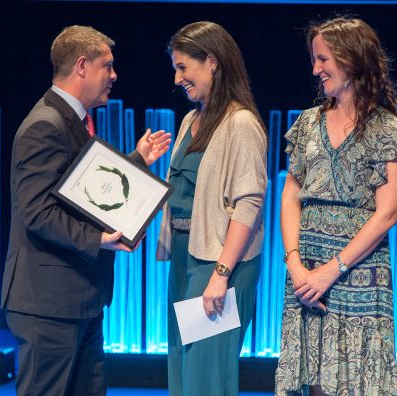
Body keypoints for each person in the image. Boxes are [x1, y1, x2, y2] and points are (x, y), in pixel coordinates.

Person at [1, 25, 171, 396]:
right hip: (49, 304)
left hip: (79, 300)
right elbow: (37, 211)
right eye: (107, 66)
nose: (114, 76)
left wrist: (136, 162)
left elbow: (84, 191)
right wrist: (98, 239)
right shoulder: (46, 124)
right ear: (81, 66)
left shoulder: (71, 119)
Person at [275, 17, 397, 395]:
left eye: (323, 59)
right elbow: (290, 196)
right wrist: (296, 264)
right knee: (315, 381)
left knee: (357, 382)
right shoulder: (307, 123)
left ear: (351, 59)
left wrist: (332, 271)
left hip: (359, 273)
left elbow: (387, 213)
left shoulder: (389, 129)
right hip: (307, 271)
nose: (315, 69)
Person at [157, 22, 267, 396]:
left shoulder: (241, 124)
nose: (177, 78)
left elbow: (249, 203)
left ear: (213, 63)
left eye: (183, 67)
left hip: (220, 264)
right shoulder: (192, 119)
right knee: (183, 370)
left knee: (206, 379)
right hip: (186, 259)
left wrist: (220, 273)